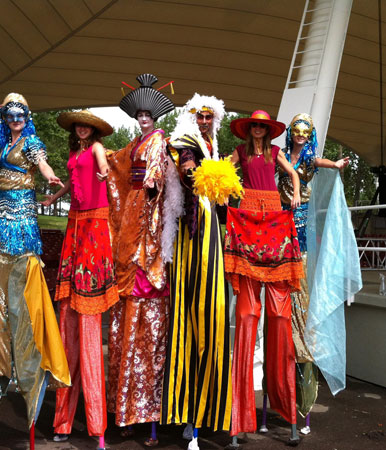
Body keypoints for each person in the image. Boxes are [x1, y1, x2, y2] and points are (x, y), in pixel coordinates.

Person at [0, 93, 70, 444]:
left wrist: (52, 177)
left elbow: (42, 163)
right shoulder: (3, 138)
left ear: (27, 116)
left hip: (21, 213)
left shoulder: (31, 142)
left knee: (22, 279)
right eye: (9, 116)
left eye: (18, 115)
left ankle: (28, 363)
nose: (14, 120)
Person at [224, 110, 304, 446]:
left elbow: (293, 175)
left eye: (262, 126)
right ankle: (239, 415)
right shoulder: (240, 152)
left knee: (279, 317)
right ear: (249, 129)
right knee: (246, 315)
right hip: (246, 217)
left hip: (272, 217)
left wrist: (296, 193)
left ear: (267, 130)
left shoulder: (275, 153)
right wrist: (222, 186)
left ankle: (286, 409)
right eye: (254, 125)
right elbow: (224, 171)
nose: (257, 129)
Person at [106, 73, 177, 447]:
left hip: (148, 219)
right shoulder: (134, 142)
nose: (144, 118)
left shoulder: (160, 142)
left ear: (156, 117)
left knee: (147, 320)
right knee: (124, 320)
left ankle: (145, 410)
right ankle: (124, 408)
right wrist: (105, 165)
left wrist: (150, 181)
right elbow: (118, 166)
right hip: (132, 215)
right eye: (140, 114)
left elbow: (156, 179)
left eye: (149, 114)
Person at [41, 110, 119, 448]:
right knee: (67, 310)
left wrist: (104, 175)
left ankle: (96, 423)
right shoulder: (74, 154)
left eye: (87, 126)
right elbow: (73, 183)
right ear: (76, 130)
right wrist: (53, 198)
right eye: (79, 126)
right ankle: (63, 420)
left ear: (94, 130)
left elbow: (104, 170)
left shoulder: (98, 149)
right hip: (75, 220)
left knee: (87, 310)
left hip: (95, 222)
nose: (83, 129)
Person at [161, 93, 232, 450]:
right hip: (194, 237)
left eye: (209, 116)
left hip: (210, 235)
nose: (203, 120)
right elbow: (187, 166)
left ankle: (210, 410)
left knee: (214, 316)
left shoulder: (211, 144)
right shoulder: (185, 142)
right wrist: (204, 174)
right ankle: (188, 413)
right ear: (190, 116)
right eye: (199, 115)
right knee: (192, 319)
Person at [277, 113, 349, 432]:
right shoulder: (280, 156)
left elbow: (322, 162)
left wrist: (337, 165)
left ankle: (302, 400)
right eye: (297, 132)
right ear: (291, 133)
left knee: (300, 312)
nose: (301, 136)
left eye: (306, 133)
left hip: (300, 241)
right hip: (278, 236)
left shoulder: (308, 158)